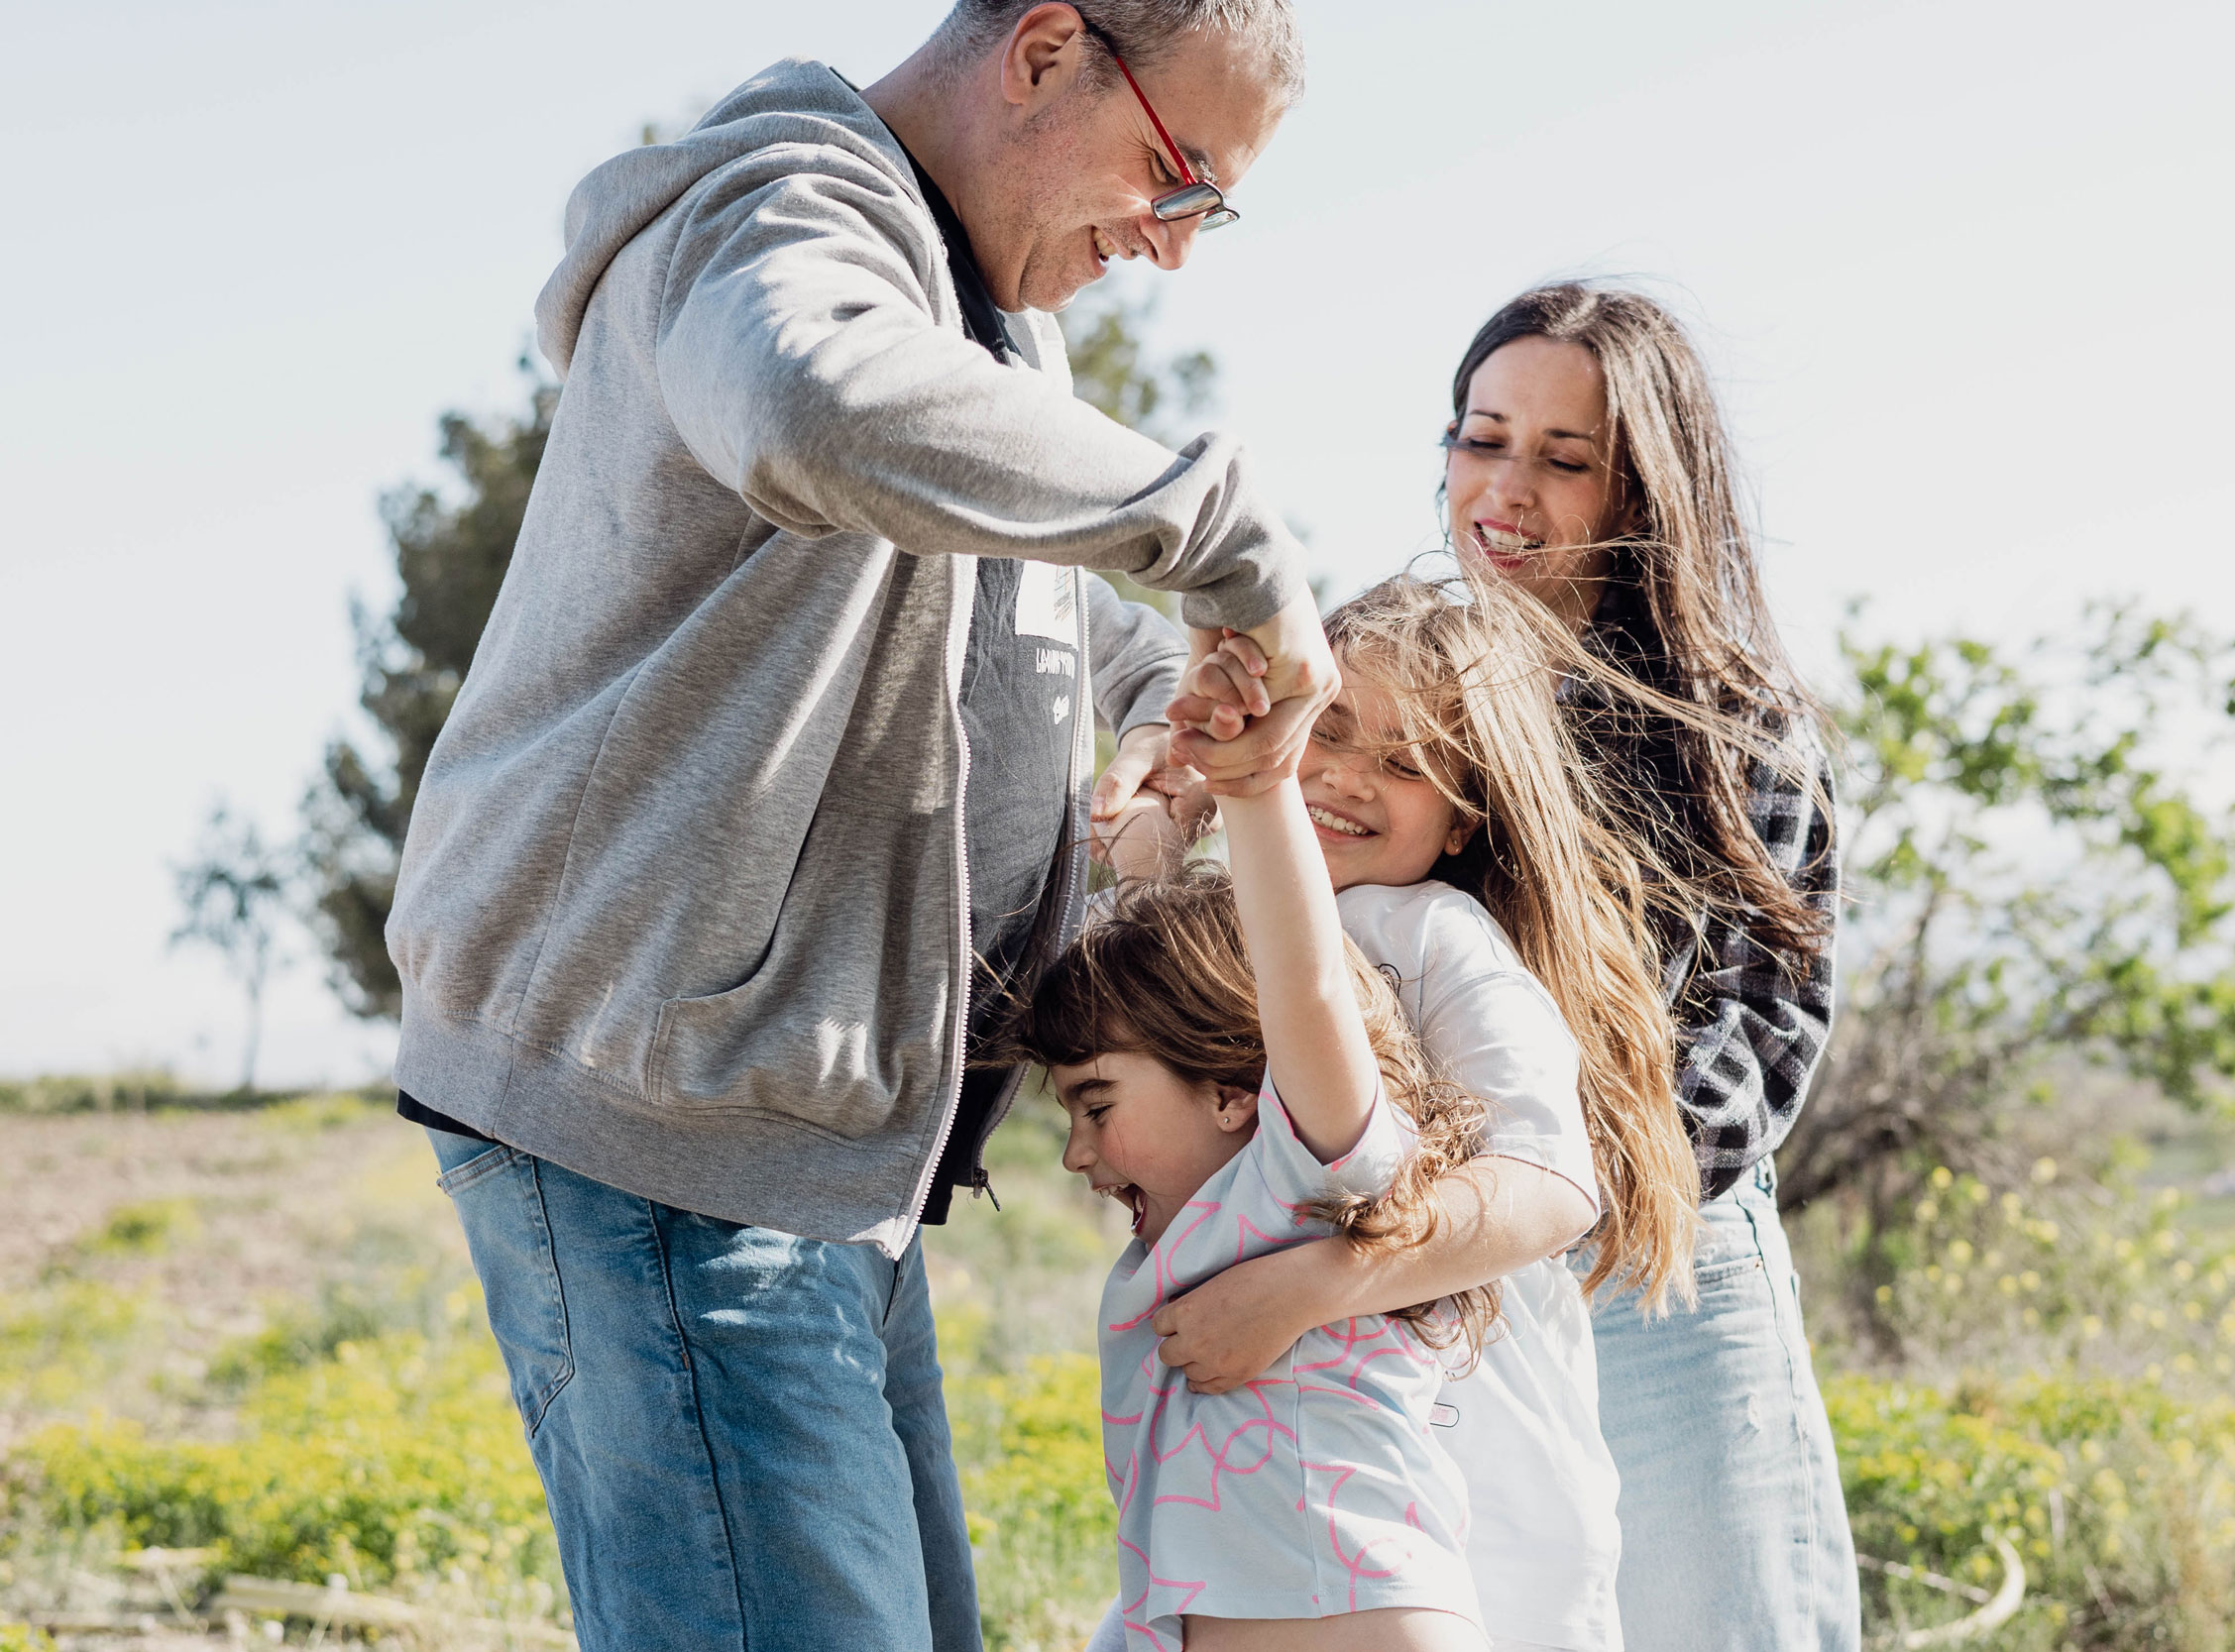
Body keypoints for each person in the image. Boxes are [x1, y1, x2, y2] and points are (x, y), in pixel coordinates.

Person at [386, 4, 1332, 1648]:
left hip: (810, 1150)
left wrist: (1156, 699)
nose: (1170, 249)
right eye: (1176, 178)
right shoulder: (780, 210)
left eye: (1208, 211)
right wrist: (1216, 529)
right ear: (1045, 51)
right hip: (672, 1132)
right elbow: (819, 405)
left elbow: (1035, 592)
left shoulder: (992, 326)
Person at [1138, 577, 1704, 1652]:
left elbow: (1547, 1187)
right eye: (1327, 728)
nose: (1344, 778)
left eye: (1405, 764)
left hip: (1475, 1476)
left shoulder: (1429, 933)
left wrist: (1305, 1288)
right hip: (1295, 1478)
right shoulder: (1231, 920)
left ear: (1462, 821)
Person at [1440, 281, 1858, 1651]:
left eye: (1564, 460)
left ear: (1644, 492)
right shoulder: (1396, 699)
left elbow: (1764, 1035)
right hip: (1436, 1285)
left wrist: (1553, 1191)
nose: (1506, 489)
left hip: (1662, 1269)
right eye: (1481, 437)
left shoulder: (1732, 725)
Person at [1010, 782, 1499, 1651]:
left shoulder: (1302, 1175)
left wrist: (1260, 782)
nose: (1076, 1153)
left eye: (1097, 1102)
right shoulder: (1181, 1242)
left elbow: (1306, 987)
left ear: (1233, 1092)